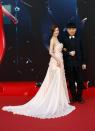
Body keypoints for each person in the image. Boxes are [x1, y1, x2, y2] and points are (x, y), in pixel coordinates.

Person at [2, 25, 75, 119]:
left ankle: (59, 100)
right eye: (55, 30)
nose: (57, 32)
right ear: (52, 31)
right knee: (55, 81)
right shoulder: (52, 39)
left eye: (58, 30)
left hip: (60, 60)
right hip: (55, 62)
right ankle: (53, 101)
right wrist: (57, 60)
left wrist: (67, 52)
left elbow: (60, 49)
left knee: (59, 80)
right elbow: (50, 52)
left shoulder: (57, 39)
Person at [63, 23, 86, 104]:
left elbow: (83, 50)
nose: (72, 30)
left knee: (80, 80)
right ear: (67, 30)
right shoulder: (64, 39)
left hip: (78, 63)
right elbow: (62, 52)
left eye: (73, 29)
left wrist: (83, 62)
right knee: (71, 81)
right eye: (70, 29)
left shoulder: (79, 38)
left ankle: (79, 97)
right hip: (69, 63)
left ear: (75, 29)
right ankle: (73, 97)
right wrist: (69, 53)